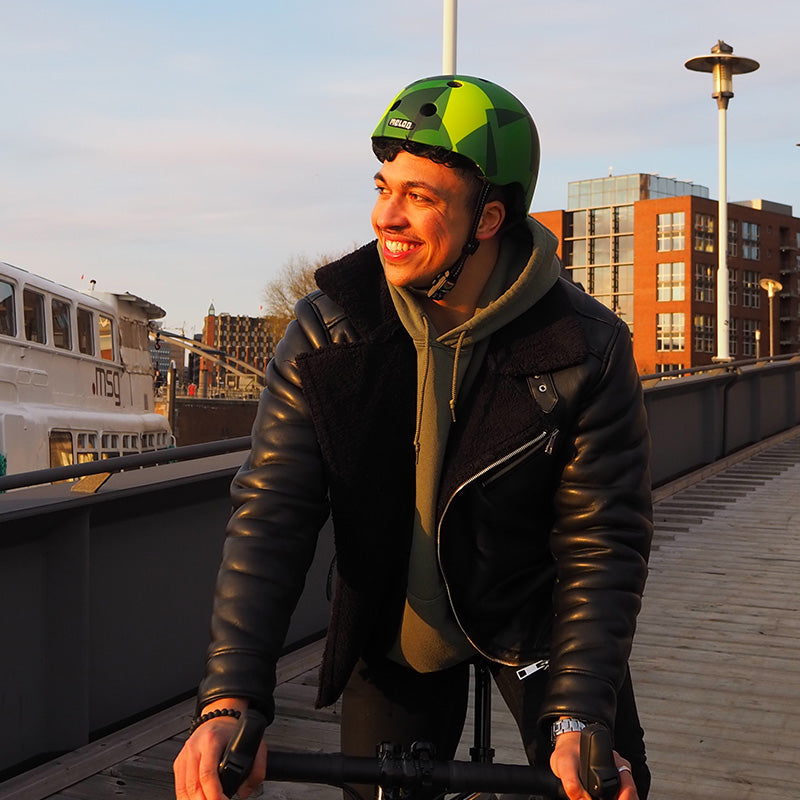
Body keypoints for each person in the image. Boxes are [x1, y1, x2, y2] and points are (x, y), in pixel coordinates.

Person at [173, 75, 652, 800]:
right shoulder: (329, 330)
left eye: (419, 197)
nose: (384, 217)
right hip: (395, 620)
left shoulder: (587, 346)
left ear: (488, 218)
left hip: (532, 619)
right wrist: (229, 703)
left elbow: (601, 541)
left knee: (608, 783)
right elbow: (272, 515)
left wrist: (581, 714)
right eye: (382, 187)